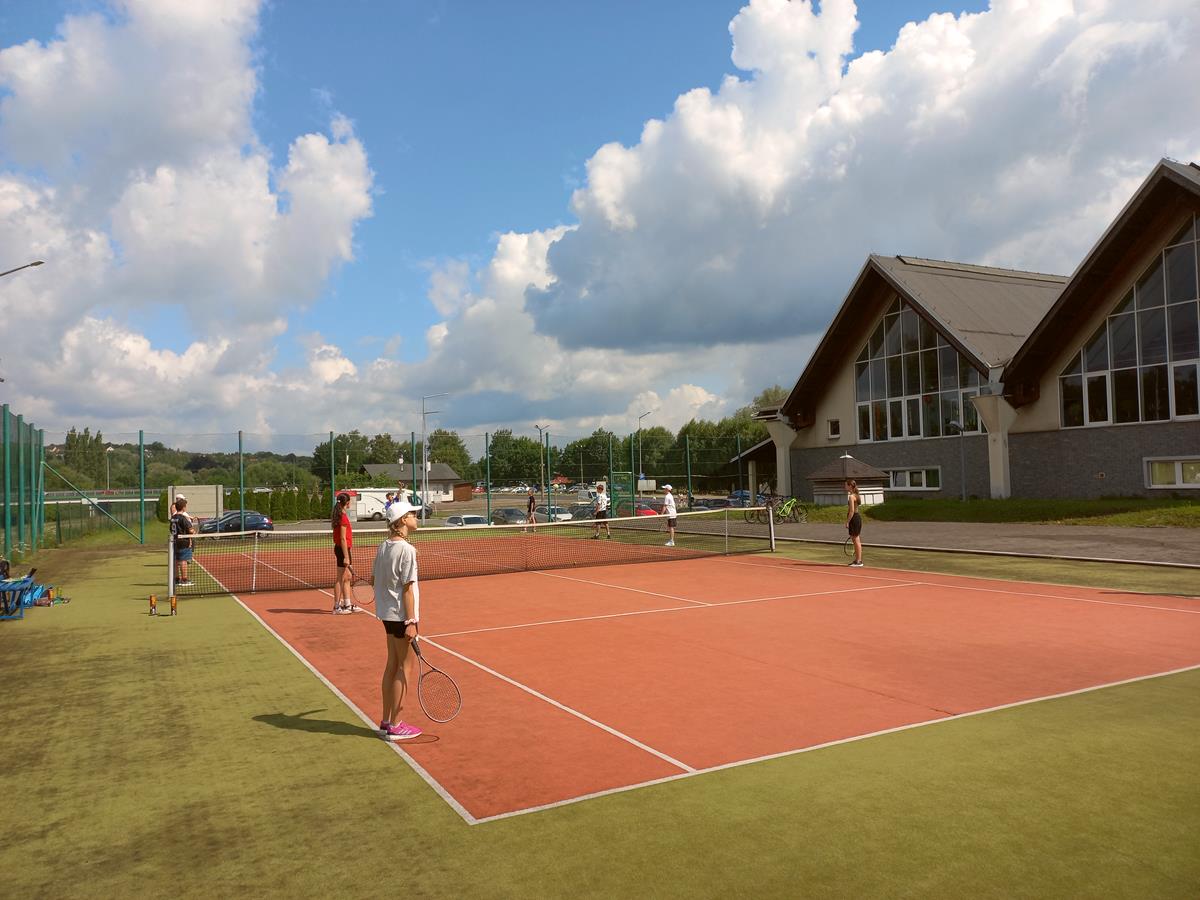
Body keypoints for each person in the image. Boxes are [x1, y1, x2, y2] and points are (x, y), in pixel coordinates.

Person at [374, 500, 423, 740]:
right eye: (413, 514)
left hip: (387, 615)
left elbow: (375, 580)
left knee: (392, 665)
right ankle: (395, 724)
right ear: (403, 520)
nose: (416, 517)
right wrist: (411, 621)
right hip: (402, 617)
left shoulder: (383, 547)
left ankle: (386, 721)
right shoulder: (407, 550)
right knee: (405, 668)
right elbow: (407, 590)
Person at [331, 492, 356, 613]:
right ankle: (336, 607)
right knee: (340, 578)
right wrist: (346, 556)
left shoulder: (340, 515)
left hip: (344, 549)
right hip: (342, 549)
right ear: (347, 503)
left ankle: (347, 604)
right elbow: (342, 538)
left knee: (348, 576)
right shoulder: (343, 518)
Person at [170, 496, 195, 586]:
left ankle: (176, 579)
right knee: (183, 561)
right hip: (184, 542)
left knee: (176, 561)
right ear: (183, 508)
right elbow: (190, 530)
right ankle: (184, 580)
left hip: (175, 542)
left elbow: (171, 530)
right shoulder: (183, 518)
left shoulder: (173, 518)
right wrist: (193, 532)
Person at [845, 479, 864, 567]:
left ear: (850, 486)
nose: (845, 487)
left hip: (854, 519)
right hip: (856, 518)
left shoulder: (851, 497)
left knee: (856, 540)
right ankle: (857, 560)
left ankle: (859, 561)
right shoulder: (855, 495)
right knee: (855, 539)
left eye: (846, 485)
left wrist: (847, 522)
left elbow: (852, 511)